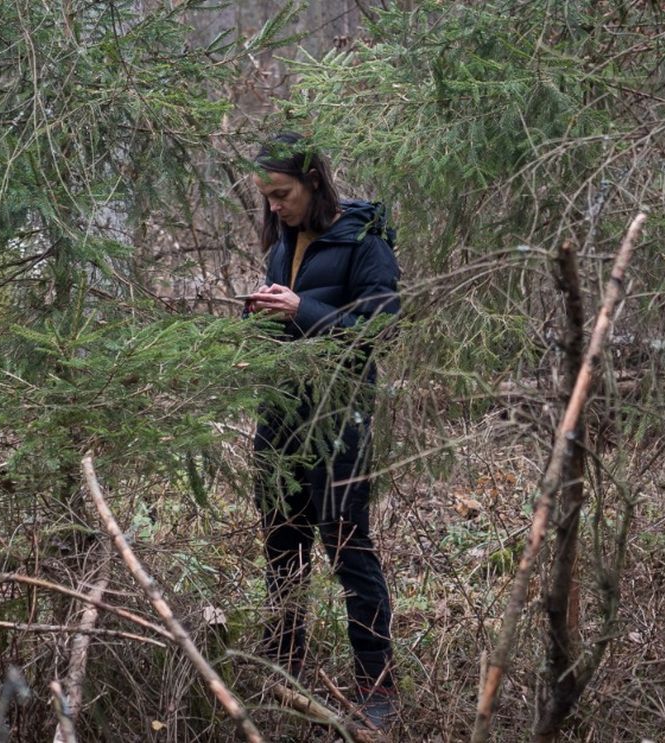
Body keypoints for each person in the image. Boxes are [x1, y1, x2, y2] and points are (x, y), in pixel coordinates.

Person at [244, 132, 401, 729]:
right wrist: (257, 315)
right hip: (280, 415)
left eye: (282, 194)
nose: (275, 207)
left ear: (314, 181)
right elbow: (283, 322)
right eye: (267, 199)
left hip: (339, 419)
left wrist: (301, 311)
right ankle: (283, 668)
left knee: (348, 548)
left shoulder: (365, 239)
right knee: (283, 548)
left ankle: (376, 688)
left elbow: (380, 329)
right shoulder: (283, 242)